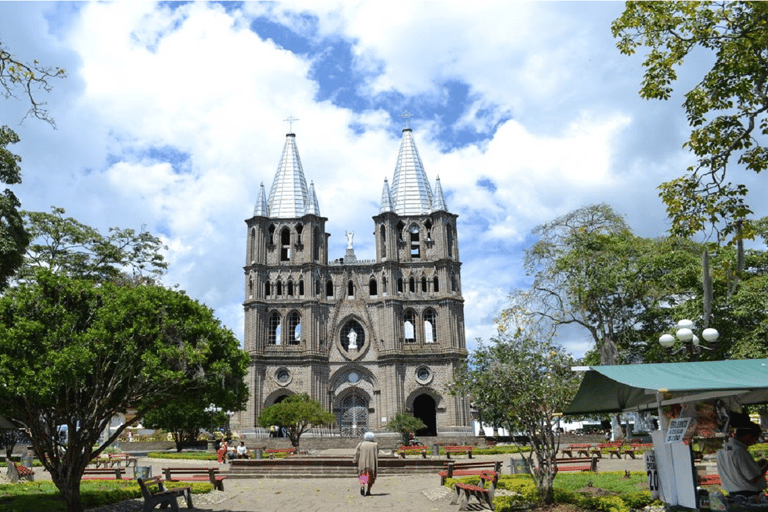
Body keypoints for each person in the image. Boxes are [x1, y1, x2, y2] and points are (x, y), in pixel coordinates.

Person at [717, 422, 768, 497]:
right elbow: (754, 478)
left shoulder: (723, 449)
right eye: (756, 438)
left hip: (734, 494)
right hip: (748, 495)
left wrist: (756, 465)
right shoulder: (739, 451)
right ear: (748, 436)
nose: (755, 442)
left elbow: (736, 469)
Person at [354, 432, 378, 497]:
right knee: (371, 477)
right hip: (371, 463)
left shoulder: (361, 444)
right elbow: (377, 453)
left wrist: (355, 460)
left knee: (363, 475)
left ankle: (362, 486)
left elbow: (356, 453)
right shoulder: (375, 445)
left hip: (362, 463)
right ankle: (368, 491)